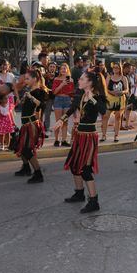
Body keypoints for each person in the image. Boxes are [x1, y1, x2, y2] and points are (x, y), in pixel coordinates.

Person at [60, 70, 107, 213]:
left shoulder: (97, 97)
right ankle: (79, 193)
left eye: (81, 79)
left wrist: (92, 97)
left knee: (86, 170)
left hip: (89, 137)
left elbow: (103, 111)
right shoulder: (79, 94)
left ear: (90, 83)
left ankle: (94, 201)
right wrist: (60, 120)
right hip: (79, 135)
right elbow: (72, 108)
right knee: (74, 165)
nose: (78, 81)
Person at [14, 69, 48, 183]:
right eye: (25, 78)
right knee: (19, 146)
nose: (26, 80)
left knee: (27, 149)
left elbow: (42, 106)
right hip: (25, 123)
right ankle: (26, 167)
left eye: (28, 78)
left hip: (31, 124)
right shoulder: (29, 91)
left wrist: (31, 97)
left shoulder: (39, 91)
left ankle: (38, 173)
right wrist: (23, 99)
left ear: (35, 79)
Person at [103, 63, 128, 142]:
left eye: (117, 68)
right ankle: (104, 135)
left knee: (118, 117)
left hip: (120, 99)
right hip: (110, 99)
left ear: (120, 69)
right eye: (114, 67)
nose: (115, 69)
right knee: (105, 116)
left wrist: (122, 92)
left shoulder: (124, 78)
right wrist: (111, 92)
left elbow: (127, 89)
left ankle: (116, 135)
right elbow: (105, 88)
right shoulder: (109, 77)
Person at [52, 64, 75, 147]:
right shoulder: (56, 79)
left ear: (67, 70)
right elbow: (54, 92)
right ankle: (56, 140)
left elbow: (72, 93)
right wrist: (62, 84)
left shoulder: (71, 80)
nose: (63, 70)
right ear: (59, 70)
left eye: (65, 68)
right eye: (61, 68)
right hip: (58, 99)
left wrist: (72, 98)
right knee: (58, 121)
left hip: (67, 101)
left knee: (65, 121)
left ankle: (64, 140)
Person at [0, 85, 15, 151]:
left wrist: (13, 122)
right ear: (0, 100)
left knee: (8, 134)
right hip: (0, 123)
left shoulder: (9, 105)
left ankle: (8, 145)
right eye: (4, 98)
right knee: (1, 135)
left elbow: (12, 97)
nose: (6, 100)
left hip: (8, 122)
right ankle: (1, 145)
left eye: (7, 98)